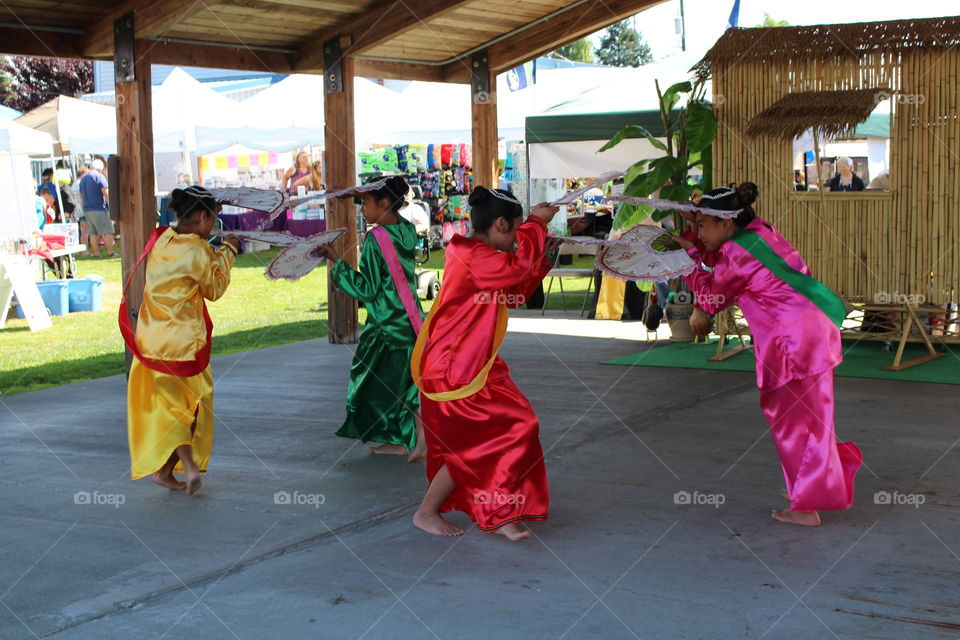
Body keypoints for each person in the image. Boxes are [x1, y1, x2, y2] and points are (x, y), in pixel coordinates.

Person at [674, 183, 862, 527]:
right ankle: (813, 489)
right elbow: (714, 253)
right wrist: (695, 239)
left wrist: (686, 262)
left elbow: (713, 299)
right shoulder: (761, 232)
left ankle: (805, 507)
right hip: (812, 331)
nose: (698, 231)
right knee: (814, 418)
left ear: (726, 222)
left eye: (703, 224)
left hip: (790, 342)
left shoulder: (736, 254)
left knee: (793, 422)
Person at [410, 187, 560, 541]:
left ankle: (499, 511)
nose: (516, 241)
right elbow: (517, 266)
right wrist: (537, 224)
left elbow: (517, 290)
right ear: (501, 224)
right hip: (452, 370)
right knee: (507, 431)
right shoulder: (468, 252)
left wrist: (543, 257)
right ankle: (436, 512)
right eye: (516, 231)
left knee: (500, 435)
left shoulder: (484, 256)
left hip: (476, 365)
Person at [122, 186, 239, 495]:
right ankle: (186, 467)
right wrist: (228, 252)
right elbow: (213, 289)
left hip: (150, 341)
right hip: (182, 345)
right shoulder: (198, 250)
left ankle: (164, 472)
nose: (213, 225)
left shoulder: (159, 238)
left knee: (171, 408)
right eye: (213, 218)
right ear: (202, 216)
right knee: (193, 405)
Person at [315, 176, 426, 461]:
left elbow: (368, 289)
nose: (362, 209)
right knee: (403, 383)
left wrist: (336, 262)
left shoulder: (376, 239)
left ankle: (403, 440)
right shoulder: (406, 230)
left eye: (365, 202)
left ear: (385, 202)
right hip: (412, 322)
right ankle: (404, 438)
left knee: (369, 383)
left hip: (386, 328)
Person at [79, 158, 116, 257]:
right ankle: (110, 252)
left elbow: (81, 195)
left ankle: (95, 253)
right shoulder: (99, 176)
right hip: (98, 208)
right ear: (100, 169)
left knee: (93, 232)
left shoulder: (83, 178)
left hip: (87, 208)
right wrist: (111, 205)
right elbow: (105, 191)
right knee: (107, 230)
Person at [72, 165, 89, 253]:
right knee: (85, 231)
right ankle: (85, 251)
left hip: (77, 209)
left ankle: (84, 250)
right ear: (83, 173)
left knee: (83, 231)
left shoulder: (74, 183)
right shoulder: (81, 183)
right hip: (83, 208)